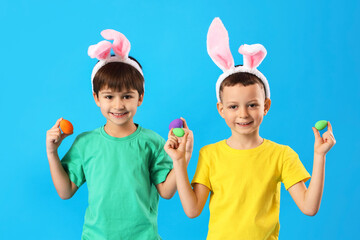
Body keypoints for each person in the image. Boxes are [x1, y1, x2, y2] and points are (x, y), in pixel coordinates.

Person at [164, 18, 336, 240]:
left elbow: (309, 207)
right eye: (233, 106)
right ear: (221, 109)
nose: (243, 114)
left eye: (252, 105)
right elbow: (192, 210)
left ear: (266, 106)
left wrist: (319, 156)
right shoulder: (209, 155)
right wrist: (178, 161)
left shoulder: (282, 155)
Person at [46, 29, 178, 240]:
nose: (118, 105)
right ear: (96, 98)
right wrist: (52, 152)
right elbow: (65, 191)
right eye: (109, 96)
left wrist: (182, 160)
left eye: (127, 96)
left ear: (140, 97)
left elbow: (167, 192)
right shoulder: (85, 143)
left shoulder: (152, 142)